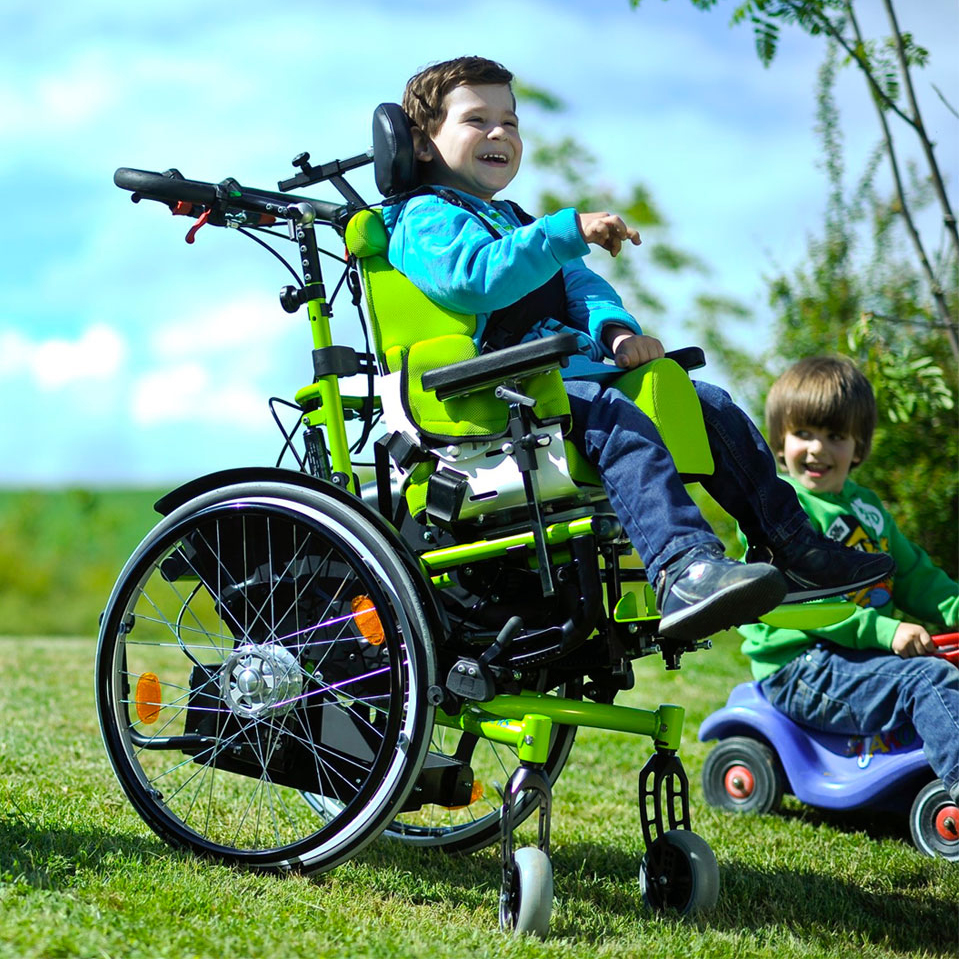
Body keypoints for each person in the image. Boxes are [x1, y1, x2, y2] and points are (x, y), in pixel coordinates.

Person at [382, 55, 893, 643]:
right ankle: (683, 567)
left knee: (708, 403)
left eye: (511, 122)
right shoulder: (423, 219)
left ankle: (790, 546)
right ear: (422, 143)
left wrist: (617, 333)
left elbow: (581, 287)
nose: (499, 133)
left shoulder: (512, 220)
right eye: (477, 120)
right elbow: (476, 279)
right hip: (498, 396)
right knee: (615, 417)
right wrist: (561, 232)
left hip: (565, 381)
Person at [738, 355, 959, 802]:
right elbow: (803, 604)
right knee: (928, 680)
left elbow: (914, 575)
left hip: (856, 657)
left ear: (858, 448)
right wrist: (885, 630)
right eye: (804, 434)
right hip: (802, 665)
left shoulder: (867, 508)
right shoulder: (779, 511)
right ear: (780, 441)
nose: (817, 449)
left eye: (835, 436)